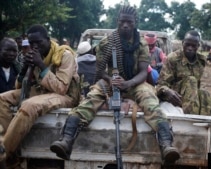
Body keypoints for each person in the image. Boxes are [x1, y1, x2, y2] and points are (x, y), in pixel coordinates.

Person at [50, 5, 180, 166]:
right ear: (117, 21)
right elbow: (99, 71)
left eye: (129, 22)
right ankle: (66, 140)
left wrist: (129, 83)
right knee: (90, 100)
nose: (125, 25)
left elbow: (143, 71)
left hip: (135, 82)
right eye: (122, 22)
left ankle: (166, 145)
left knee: (151, 102)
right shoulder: (107, 42)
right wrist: (110, 79)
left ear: (135, 23)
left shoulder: (141, 44)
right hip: (110, 81)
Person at [0, 24, 80, 168]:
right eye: (31, 43)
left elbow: (61, 88)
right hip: (42, 92)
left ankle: (4, 152)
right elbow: (18, 88)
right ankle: (11, 146)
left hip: (65, 96)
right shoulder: (33, 54)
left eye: (39, 42)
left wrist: (41, 66)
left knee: (29, 105)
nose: (35, 46)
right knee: (2, 99)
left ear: (48, 40)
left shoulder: (64, 55)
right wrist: (24, 69)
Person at [156, 30, 211, 115]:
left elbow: (198, 84)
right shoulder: (173, 59)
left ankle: (204, 121)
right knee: (191, 80)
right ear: (183, 43)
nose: (190, 48)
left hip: (191, 96)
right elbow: (160, 85)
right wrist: (167, 91)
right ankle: (191, 118)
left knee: (205, 94)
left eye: (194, 46)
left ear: (198, 46)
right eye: (187, 44)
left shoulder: (201, 61)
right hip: (175, 98)